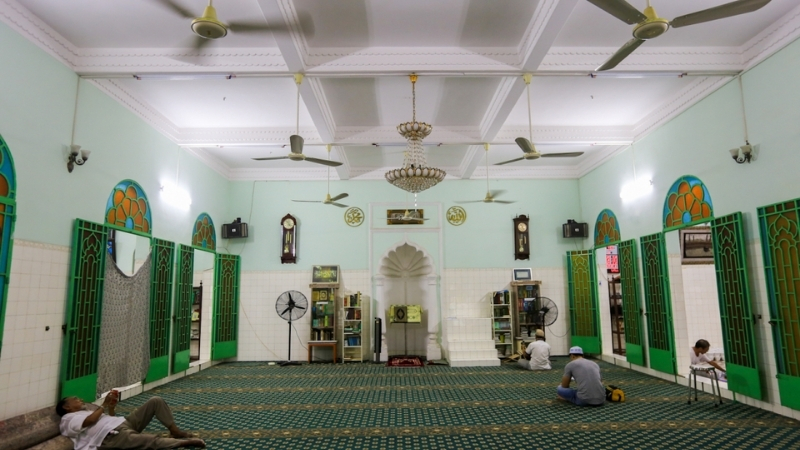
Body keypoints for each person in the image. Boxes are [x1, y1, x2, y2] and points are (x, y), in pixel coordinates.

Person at [56, 391, 205, 450]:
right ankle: (183, 443)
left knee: (155, 401)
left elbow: (109, 419)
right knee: (149, 440)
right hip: (110, 437)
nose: (80, 399)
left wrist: (112, 407)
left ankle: (175, 431)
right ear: (67, 407)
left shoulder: (86, 411)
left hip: (122, 424)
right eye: (75, 399)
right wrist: (104, 404)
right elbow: (89, 422)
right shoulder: (68, 419)